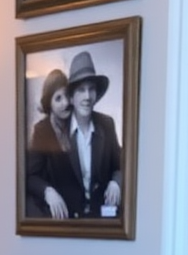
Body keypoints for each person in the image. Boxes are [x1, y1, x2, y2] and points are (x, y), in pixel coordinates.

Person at [25, 51, 122, 219]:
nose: (87, 97)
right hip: (67, 222)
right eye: (81, 90)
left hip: (102, 221)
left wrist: (117, 182)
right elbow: (30, 176)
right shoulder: (52, 129)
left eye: (91, 89)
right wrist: (48, 191)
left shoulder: (107, 124)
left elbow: (121, 165)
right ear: (72, 96)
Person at [25, 68, 73, 219]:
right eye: (58, 98)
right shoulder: (41, 131)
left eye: (67, 95)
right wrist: (48, 191)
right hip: (51, 212)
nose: (65, 102)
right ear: (49, 103)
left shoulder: (76, 124)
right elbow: (30, 176)